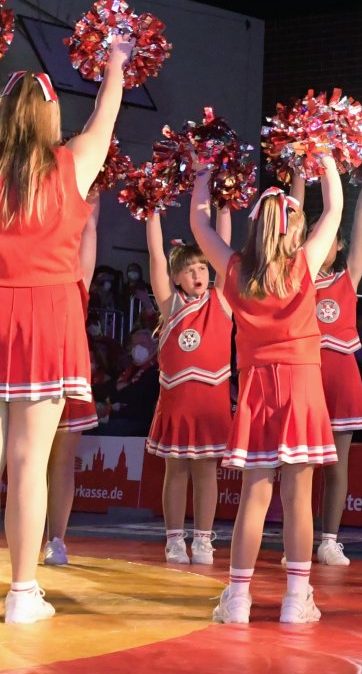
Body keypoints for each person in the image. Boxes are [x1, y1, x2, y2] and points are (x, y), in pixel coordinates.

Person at [0, 38, 132, 625]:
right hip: (47, 320)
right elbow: (107, 112)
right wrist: (118, 61)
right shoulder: (74, 163)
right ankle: (23, 593)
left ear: (0, 114)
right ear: (50, 116)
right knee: (29, 463)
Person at [187, 154, 343, 625]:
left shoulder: (233, 269)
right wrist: (328, 158)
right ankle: (297, 598)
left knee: (254, 495)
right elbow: (334, 210)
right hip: (301, 383)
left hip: (256, 385)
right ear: (291, 230)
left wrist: (203, 175)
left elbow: (199, 225)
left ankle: (237, 598)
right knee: (298, 495)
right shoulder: (302, 264)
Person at [143, 208, 233, 567]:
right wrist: (149, 210)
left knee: (207, 471)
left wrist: (224, 207)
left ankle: (204, 539)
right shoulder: (170, 305)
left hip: (210, 403)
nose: (199, 274)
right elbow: (154, 254)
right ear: (176, 278)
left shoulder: (221, 301)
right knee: (176, 470)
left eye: (202, 268)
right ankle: (174, 539)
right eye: (189, 270)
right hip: (177, 402)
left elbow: (224, 248)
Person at [310, 177, 362, 568]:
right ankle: (295, 540)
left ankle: (329, 540)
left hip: (343, 377)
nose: (326, 241)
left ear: (339, 244)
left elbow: (361, 221)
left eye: (332, 235)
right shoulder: (296, 277)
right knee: (296, 465)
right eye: (319, 234)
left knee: (337, 464)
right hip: (307, 375)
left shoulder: (349, 275)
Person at [44, 201, 103, 569]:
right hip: (30, 369)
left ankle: (56, 538)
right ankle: (25, 532)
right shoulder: (33, 266)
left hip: (66, 368)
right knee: (27, 459)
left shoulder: (77, 278)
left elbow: (91, 229)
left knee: (62, 460)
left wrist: (91, 195)